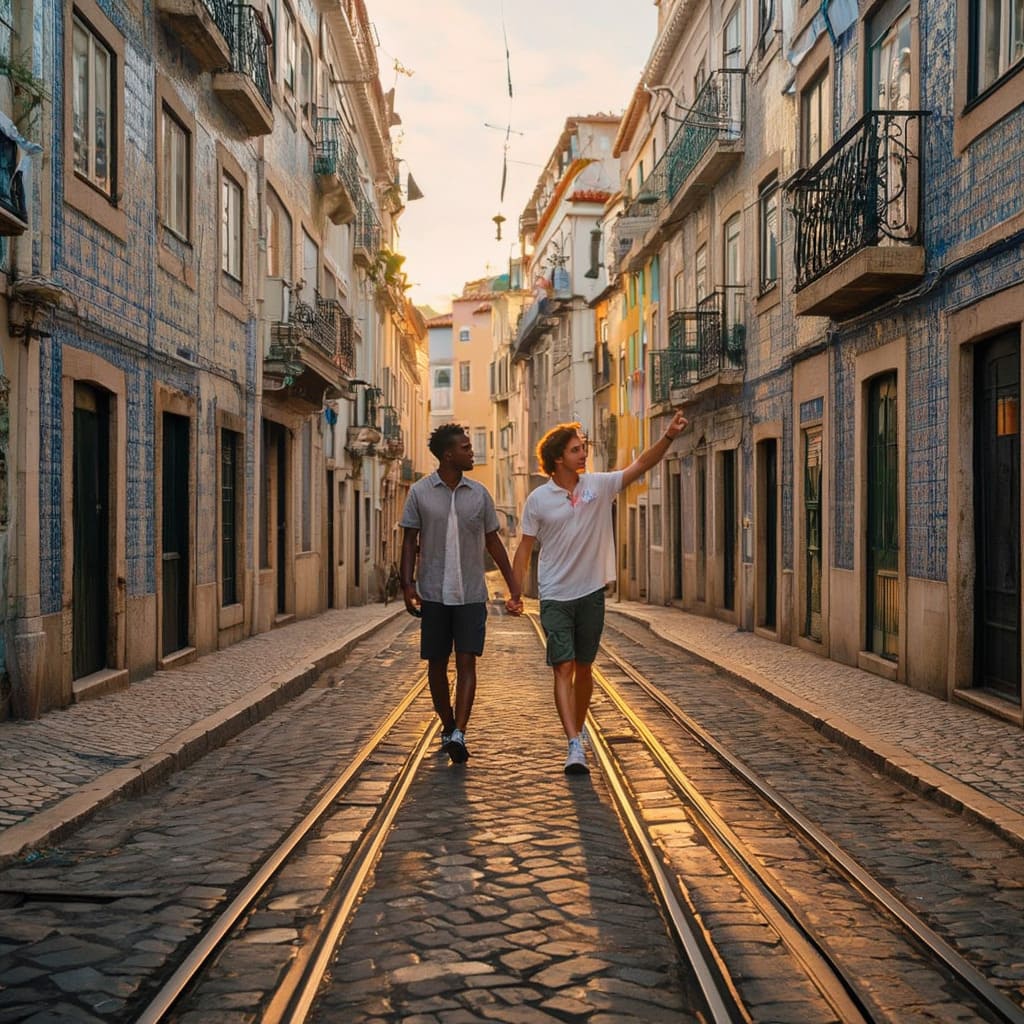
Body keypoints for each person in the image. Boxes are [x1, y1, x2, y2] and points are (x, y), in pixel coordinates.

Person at [508, 411, 689, 774]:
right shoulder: (538, 500)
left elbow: (640, 464)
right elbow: (524, 549)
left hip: (591, 592)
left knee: (585, 667)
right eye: (576, 450)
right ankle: (574, 743)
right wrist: (515, 593)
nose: (583, 454)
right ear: (558, 458)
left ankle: (578, 725)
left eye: (583, 448)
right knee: (563, 667)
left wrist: (668, 437)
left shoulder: (598, 485)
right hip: (556, 595)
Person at [400, 423, 521, 764]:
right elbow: (409, 540)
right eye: (467, 448)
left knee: (467, 661)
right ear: (449, 454)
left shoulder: (479, 494)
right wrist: (407, 585)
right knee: (436, 665)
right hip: (434, 592)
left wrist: (513, 585)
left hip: (470, 592)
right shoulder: (420, 493)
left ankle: (459, 732)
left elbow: (493, 541)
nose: (472, 453)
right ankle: (448, 725)